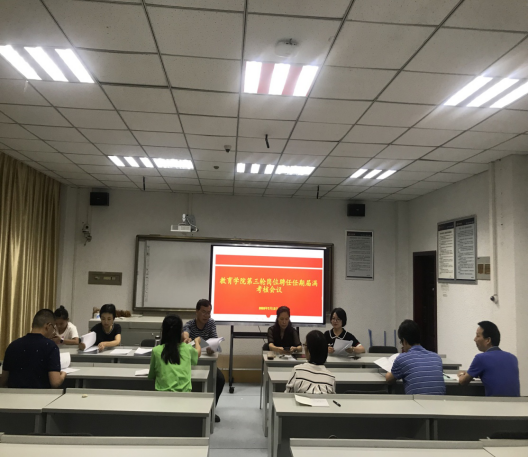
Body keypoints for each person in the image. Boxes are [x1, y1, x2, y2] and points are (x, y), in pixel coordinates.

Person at [183, 298, 225, 423]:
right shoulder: (190, 324)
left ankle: (211, 409)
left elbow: (214, 339)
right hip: (192, 362)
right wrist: (186, 338)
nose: (206, 315)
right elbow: (185, 333)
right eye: (203, 312)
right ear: (196, 311)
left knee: (220, 379)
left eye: (208, 312)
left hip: (208, 361)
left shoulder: (210, 323)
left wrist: (213, 347)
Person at [0, 309, 66, 388]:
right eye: (54, 328)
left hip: (13, 395)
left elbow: (3, 381)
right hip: (41, 395)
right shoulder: (50, 346)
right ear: (48, 326)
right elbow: (55, 383)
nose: (53, 331)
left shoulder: (12, 345)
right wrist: (63, 374)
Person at [458, 321, 520, 397]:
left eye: (478, 336)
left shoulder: (481, 358)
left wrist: (461, 374)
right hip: (517, 403)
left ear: (488, 340)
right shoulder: (513, 358)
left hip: (494, 403)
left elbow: (463, 381)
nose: (474, 339)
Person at [386, 319, 445, 395]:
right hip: (440, 402)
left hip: (417, 402)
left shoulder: (402, 359)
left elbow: (389, 379)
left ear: (404, 341)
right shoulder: (437, 358)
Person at [149, 315, 201, 392]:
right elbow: (197, 353)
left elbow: (152, 375)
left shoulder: (156, 350)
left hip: (162, 395)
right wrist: (197, 342)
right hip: (184, 395)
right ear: (180, 332)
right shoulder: (187, 349)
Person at [285, 330, 335, 394]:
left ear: (309, 350)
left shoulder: (297, 370)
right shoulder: (331, 377)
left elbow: (287, 395)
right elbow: (332, 398)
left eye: (305, 345)